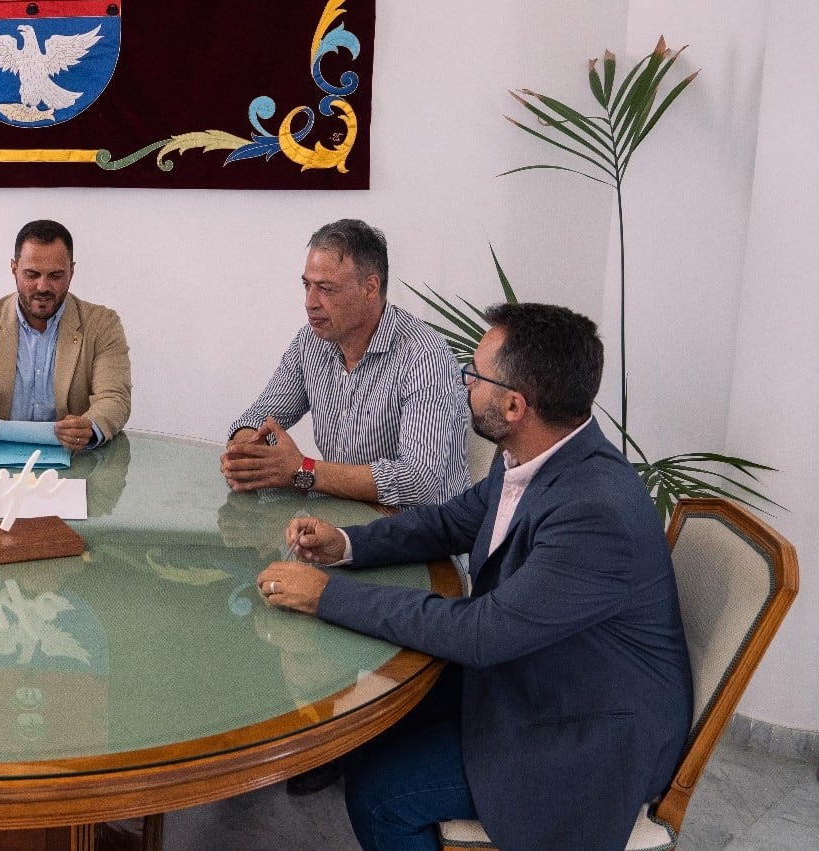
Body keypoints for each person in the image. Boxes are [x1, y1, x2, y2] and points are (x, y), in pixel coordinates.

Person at [257, 303, 692, 851]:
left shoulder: (595, 511)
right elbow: (448, 523)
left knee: (380, 794)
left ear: (515, 405)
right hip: (536, 671)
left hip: (583, 731)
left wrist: (327, 596)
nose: (465, 382)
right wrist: (345, 544)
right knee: (363, 714)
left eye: (476, 373)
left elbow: (482, 633)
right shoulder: (531, 454)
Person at [222, 218, 467, 509]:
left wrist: (303, 470)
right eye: (307, 285)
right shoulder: (310, 342)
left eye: (326, 288)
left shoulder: (424, 355)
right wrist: (248, 450)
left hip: (420, 537)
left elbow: (417, 482)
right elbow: (258, 417)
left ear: (370, 288)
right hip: (343, 525)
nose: (310, 302)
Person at [0, 219, 131, 452]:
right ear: (14, 269)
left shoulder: (102, 324)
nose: (42, 286)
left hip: (76, 459)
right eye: (32, 274)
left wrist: (90, 427)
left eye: (56, 275)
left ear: (72, 271)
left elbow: (114, 398)